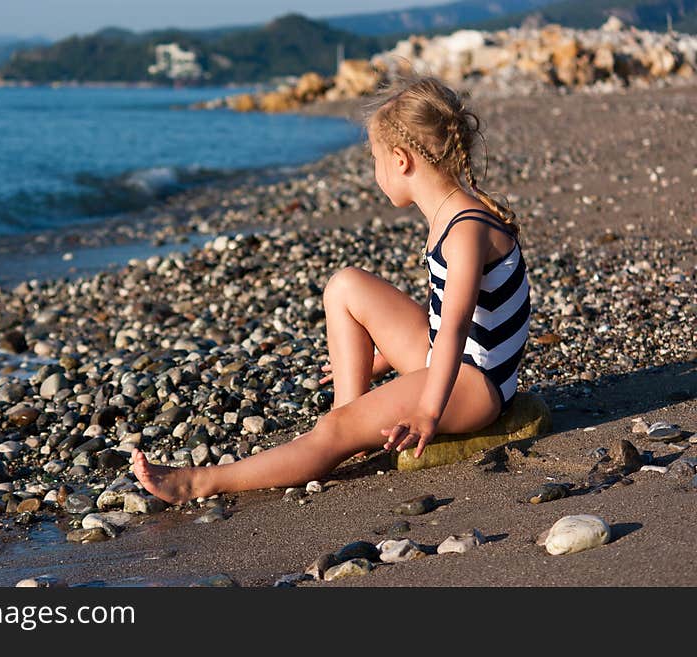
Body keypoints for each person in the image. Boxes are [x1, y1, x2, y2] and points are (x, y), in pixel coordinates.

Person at [132, 75, 531, 504]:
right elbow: (451, 315)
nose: (375, 172)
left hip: (475, 386)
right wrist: (381, 360)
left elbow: (453, 328)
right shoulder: (453, 212)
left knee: (331, 431)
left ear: (400, 160)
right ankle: (350, 417)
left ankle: (203, 481)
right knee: (345, 285)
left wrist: (427, 412)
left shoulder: (465, 231)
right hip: (451, 360)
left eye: (375, 160)